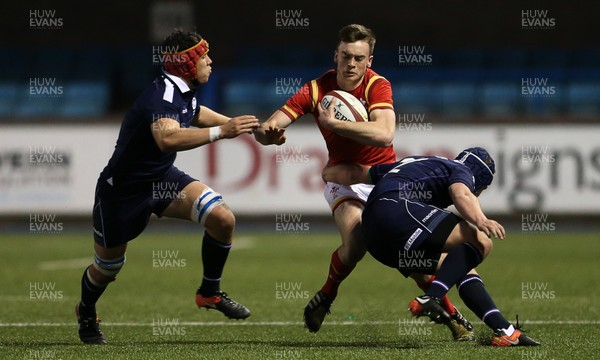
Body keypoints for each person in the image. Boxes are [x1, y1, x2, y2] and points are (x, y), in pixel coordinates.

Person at [253, 23, 473, 341]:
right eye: (345, 56)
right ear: (336, 55)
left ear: (369, 60)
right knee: (357, 242)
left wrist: (335, 124)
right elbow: (269, 127)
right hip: (343, 181)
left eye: (358, 57)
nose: (351, 64)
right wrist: (268, 135)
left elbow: (384, 135)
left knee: (410, 254)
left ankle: (451, 315)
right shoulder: (314, 90)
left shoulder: (377, 85)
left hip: (385, 182)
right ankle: (328, 294)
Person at [75, 29, 258, 344]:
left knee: (222, 218)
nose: (211, 61)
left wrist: (244, 127)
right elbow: (168, 137)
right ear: (186, 62)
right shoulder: (161, 95)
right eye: (204, 57)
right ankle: (86, 311)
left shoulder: (182, 92)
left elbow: (197, 114)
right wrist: (223, 132)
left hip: (162, 180)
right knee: (107, 268)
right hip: (122, 192)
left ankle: (209, 293)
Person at [322, 147, 540, 347]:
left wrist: (328, 174)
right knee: (481, 241)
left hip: (374, 237)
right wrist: (481, 220)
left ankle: (506, 331)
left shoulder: (416, 162)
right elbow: (461, 193)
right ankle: (432, 297)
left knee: (459, 265)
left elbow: (357, 175)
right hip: (397, 211)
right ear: (480, 182)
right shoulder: (461, 170)